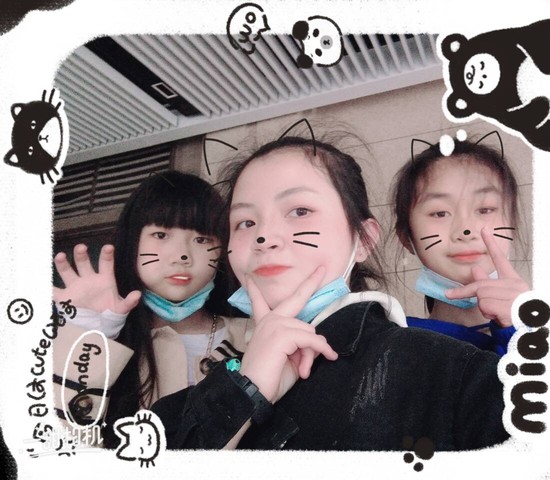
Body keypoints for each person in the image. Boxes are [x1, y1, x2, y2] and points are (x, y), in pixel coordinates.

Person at [151, 135, 509, 451]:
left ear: (364, 239)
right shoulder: (186, 406)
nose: (264, 236)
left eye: (300, 211)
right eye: (245, 222)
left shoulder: (454, 373)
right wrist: (245, 388)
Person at [52, 171, 252, 447]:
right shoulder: (107, 345)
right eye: (161, 234)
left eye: (202, 239)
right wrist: (90, 342)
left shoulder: (255, 334)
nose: (182, 255)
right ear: (132, 243)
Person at [392, 135, 530, 356]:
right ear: (407, 237)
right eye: (440, 213)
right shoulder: (392, 346)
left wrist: (520, 330)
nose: (465, 230)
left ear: (512, 223)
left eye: (485, 210)